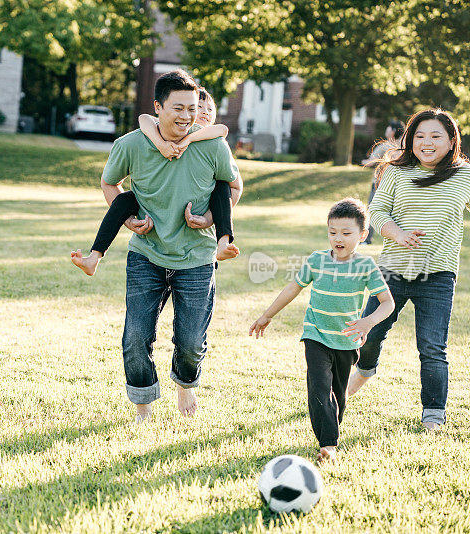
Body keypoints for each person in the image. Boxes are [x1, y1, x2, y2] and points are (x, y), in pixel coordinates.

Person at [95, 69, 242, 423]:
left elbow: (234, 188)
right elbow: (109, 182)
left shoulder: (210, 144)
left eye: (193, 109)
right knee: (135, 337)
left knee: (191, 342)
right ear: (158, 108)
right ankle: (143, 406)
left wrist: (210, 220)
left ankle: (185, 383)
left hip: (197, 257)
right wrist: (130, 221)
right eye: (178, 108)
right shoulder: (131, 144)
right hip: (146, 254)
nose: (187, 116)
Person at [346, 109, 470, 431]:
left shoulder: (464, 176)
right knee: (369, 334)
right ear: (411, 139)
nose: (427, 143)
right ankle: (365, 369)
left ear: (451, 139)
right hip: (391, 271)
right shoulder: (397, 173)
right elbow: (377, 211)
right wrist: (398, 234)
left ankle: (433, 414)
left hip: (438, 276)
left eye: (435, 136)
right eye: (419, 136)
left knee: (432, 346)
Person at [249, 198, 394, 462]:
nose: (338, 238)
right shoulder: (317, 260)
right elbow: (293, 288)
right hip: (315, 335)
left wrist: (367, 322)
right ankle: (328, 444)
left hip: (347, 341)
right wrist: (266, 315)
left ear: (362, 235)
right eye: (332, 232)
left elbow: (388, 304)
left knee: (338, 396)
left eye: (346, 233)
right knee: (318, 387)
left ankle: (331, 430)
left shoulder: (365, 267)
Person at [70, 88, 240, 276]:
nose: (205, 112)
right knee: (123, 200)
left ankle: (223, 242)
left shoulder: (213, 139)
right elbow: (144, 118)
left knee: (222, 187)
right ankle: (94, 257)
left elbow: (223, 130)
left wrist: (189, 139)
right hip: (154, 202)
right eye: (199, 107)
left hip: (201, 217)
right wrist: (160, 143)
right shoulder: (166, 129)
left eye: (210, 108)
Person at [361, 120, 404, 244]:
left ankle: (366, 239)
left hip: (379, 184)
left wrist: (364, 162)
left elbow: (371, 161)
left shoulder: (384, 146)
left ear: (393, 131)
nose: (386, 130)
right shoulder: (405, 148)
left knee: (373, 210)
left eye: (388, 128)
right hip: (398, 186)